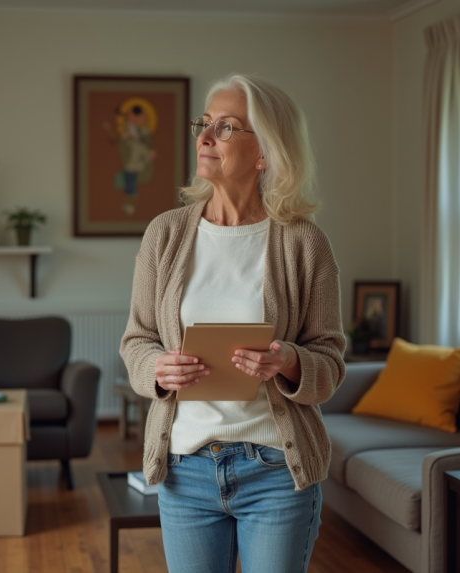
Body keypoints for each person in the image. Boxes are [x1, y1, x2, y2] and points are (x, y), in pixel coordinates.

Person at [120, 74, 346, 573]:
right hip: (185, 470)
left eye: (225, 127)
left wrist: (289, 360)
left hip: (275, 472)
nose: (203, 137)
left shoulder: (305, 244)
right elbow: (137, 339)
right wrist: (158, 367)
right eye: (204, 123)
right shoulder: (165, 234)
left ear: (265, 152)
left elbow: (330, 360)